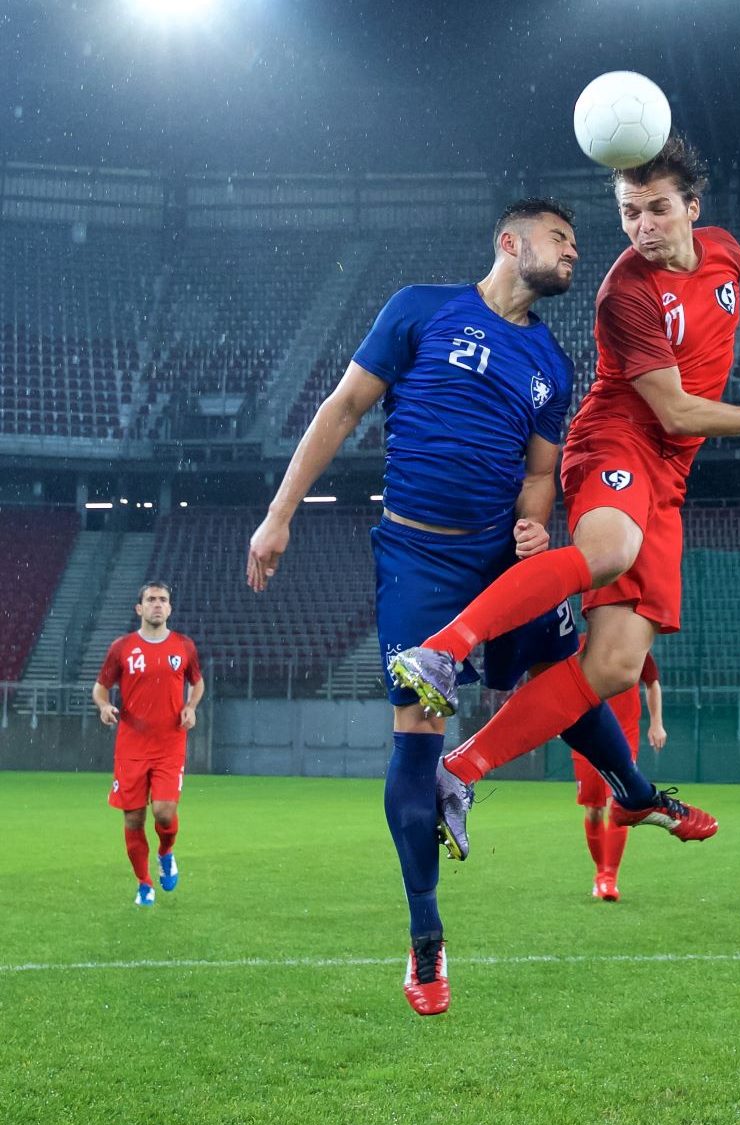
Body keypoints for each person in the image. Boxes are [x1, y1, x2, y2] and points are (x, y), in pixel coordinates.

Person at [246, 198, 679, 1017]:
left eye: (579, 245)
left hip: (494, 561)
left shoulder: (551, 362)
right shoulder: (419, 309)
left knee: (564, 673)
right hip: (415, 558)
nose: (575, 253)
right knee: (417, 737)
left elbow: (543, 474)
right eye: (563, 240)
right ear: (510, 243)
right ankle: (425, 941)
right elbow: (342, 409)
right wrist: (278, 514)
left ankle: (632, 786)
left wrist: (534, 521)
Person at [387, 133, 740, 850]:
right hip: (618, 436)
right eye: (627, 213)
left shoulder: (728, 255)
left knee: (615, 665)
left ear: (692, 208)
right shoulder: (626, 293)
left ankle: (460, 770)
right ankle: (445, 646)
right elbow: (674, 411)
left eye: (655, 210)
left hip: (672, 476)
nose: (642, 227)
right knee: (609, 548)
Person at [92, 582, 204, 908]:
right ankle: (144, 883)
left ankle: (166, 853)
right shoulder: (122, 648)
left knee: (165, 813)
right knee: (133, 820)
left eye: (163, 600)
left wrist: (191, 707)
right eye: (151, 599)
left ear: (170, 608)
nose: (157, 604)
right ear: (139, 608)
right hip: (131, 746)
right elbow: (100, 688)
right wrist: (103, 706)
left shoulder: (184, 646)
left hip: (170, 743)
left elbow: (197, 683)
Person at [574, 647, 665, 901]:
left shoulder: (637, 645)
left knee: (619, 803)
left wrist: (656, 723)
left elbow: (652, 684)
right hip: (585, 733)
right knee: (593, 811)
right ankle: (600, 872)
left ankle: (609, 879)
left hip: (624, 734)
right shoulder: (581, 645)